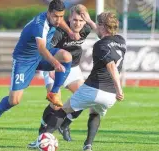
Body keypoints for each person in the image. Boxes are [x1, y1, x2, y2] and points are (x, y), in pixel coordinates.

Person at [35, 11, 126, 151]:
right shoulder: (121, 41)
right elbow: (103, 33)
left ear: (102, 26)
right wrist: (89, 21)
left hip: (94, 88)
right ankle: (88, 145)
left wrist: (119, 88)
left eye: (98, 24)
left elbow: (111, 66)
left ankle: (43, 139)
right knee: (94, 113)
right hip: (110, 96)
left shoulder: (100, 45)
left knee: (63, 110)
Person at [0, 0, 80, 131]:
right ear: (48, 13)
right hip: (24, 60)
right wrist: (55, 63)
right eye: (55, 16)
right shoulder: (39, 25)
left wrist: (69, 32)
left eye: (61, 16)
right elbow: (41, 48)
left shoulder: (54, 19)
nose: (58, 20)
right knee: (14, 100)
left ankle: (53, 93)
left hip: (41, 56)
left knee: (67, 56)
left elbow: (60, 23)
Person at [27, 5, 97, 147]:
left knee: (85, 98)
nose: (77, 23)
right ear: (69, 18)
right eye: (75, 20)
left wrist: (89, 21)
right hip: (54, 66)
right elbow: (46, 49)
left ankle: (65, 125)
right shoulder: (59, 32)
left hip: (73, 69)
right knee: (55, 104)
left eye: (81, 21)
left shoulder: (86, 28)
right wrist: (51, 68)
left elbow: (103, 34)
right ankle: (41, 136)